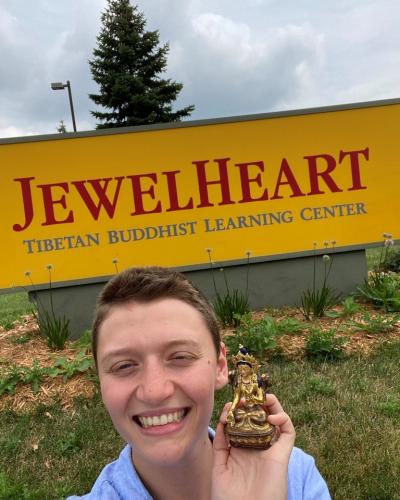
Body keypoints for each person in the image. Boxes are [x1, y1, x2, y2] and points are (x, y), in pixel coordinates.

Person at [68, 266, 331, 499]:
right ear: (101, 381)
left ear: (220, 367)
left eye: (180, 357)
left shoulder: (294, 477)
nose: (155, 391)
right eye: (124, 365)